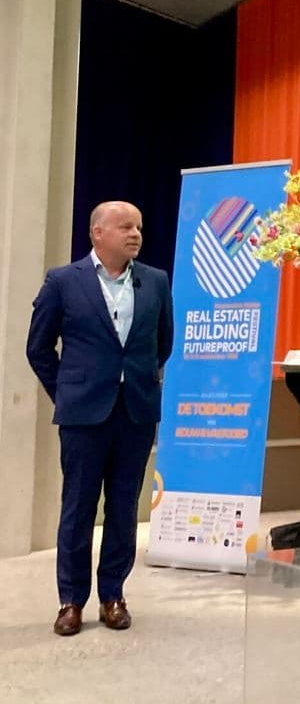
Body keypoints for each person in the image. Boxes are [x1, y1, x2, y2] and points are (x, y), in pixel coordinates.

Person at [27, 201, 174, 635]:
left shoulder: (156, 282)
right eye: (125, 226)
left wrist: (137, 381)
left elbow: (161, 344)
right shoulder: (63, 282)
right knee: (77, 507)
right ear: (97, 233)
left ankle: (113, 595)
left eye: (139, 227)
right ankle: (70, 600)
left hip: (135, 413)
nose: (135, 234)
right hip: (83, 417)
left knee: (124, 508)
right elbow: (38, 349)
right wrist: (68, 392)